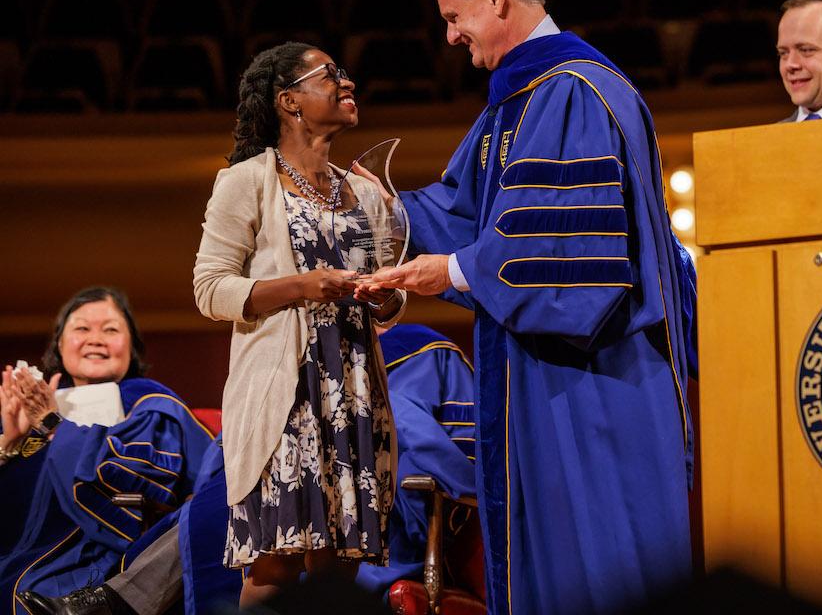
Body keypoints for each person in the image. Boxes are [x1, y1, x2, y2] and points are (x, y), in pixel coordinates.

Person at [357, 0, 695, 615]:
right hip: (544, 381)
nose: (452, 37)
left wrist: (452, 271)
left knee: (598, 569)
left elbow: (566, 259)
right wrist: (370, 209)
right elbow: (466, 210)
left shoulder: (573, 91)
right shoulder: (521, 104)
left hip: (594, 381)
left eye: (455, 18)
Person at [18, 323, 478, 615]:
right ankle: (113, 600)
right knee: (230, 500)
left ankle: (116, 602)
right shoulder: (287, 356)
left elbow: (462, 452)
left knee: (248, 498)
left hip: (381, 502)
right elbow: (227, 452)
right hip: (276, 499)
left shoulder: (421, 349)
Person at [191, 43, 403, 608]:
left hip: (352, 390)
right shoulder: (246, 182)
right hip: (285, 394)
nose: (347, 82)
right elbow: (210, 290)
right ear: (289, 100)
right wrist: (304, 287)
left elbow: (388, 294)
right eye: (330, 74)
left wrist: (384, 296)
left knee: (337, 564)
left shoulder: (363, 193)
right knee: (273, 564)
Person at [0, 287, 214, 614]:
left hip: (94, 565)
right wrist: (9, 446)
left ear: (132, 347)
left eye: (111, 329)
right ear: (59, 344)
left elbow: (135, 484)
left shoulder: (145, 399)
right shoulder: (25, 408)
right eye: (82, 328)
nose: (95, 338)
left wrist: (53, 423)